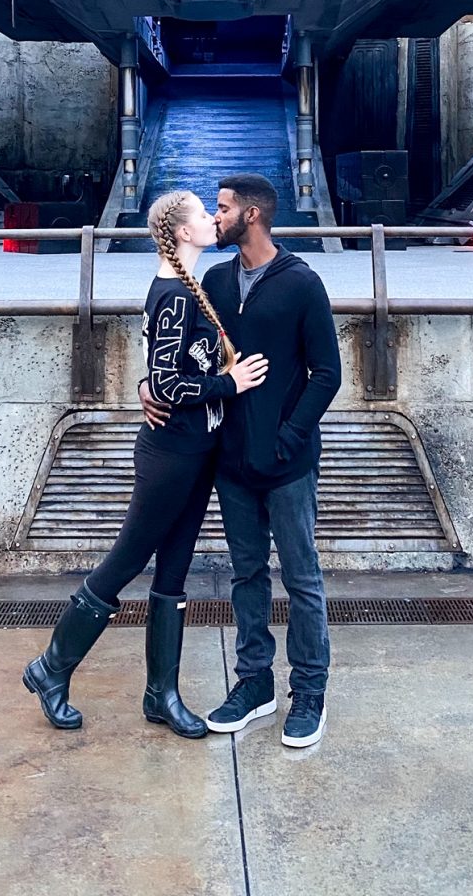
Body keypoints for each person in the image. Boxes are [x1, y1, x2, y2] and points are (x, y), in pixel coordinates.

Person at [23, 189, 268, 736]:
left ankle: (162, 695)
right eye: (203, 215)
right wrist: (231, 382)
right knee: (127, 558)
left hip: (196, 449)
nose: (211, 219)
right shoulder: (175, 295)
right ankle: (50, 668)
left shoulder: (188, 287)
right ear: (182, 232)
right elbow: (166, 383)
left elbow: (160, 375)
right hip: (171, 454)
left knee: (175, 569)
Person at [141, 172, 340, 748]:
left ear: (251, 215)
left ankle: (309, 692)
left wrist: (289, 437)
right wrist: (145, 386)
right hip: (230, 461)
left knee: (302, 579)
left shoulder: (302, 283)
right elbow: (182, 360)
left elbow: (327, 374)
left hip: (287, 462)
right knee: (247, 576)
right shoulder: (214, 284)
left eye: (223, 208)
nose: (217, 217)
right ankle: (255, 684)